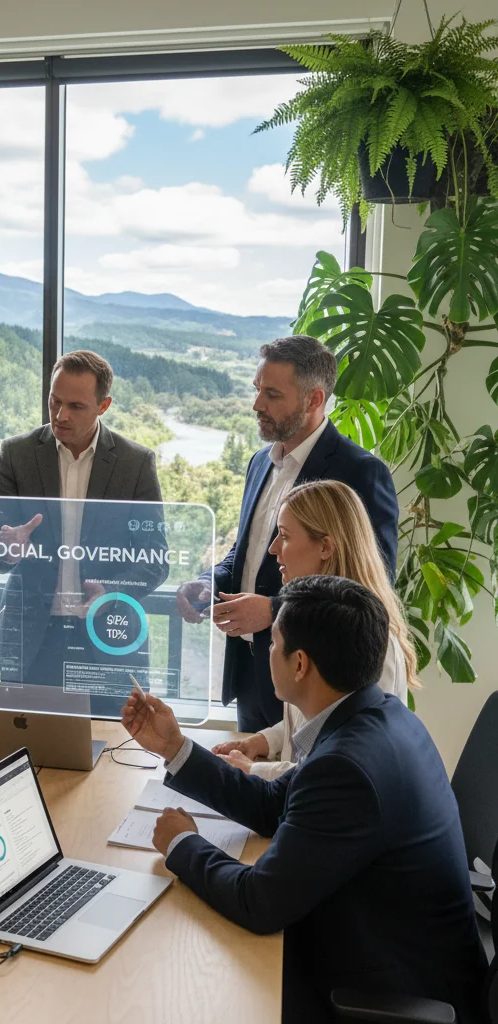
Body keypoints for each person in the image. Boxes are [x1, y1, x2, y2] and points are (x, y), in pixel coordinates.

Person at [122, 576, 486, 1024]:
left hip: (391, 992)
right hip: (392, 947)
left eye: (271, 643)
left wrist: (184, 844)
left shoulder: (348, 766)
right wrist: (174, 747)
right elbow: (277, 804)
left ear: (299, 664)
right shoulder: (378, 715)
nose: (266, 653)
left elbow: (260, 903)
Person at [175, 334, 399, 731]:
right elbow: (245, 556)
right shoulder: (259, 463)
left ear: (314, 400)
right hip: (250, 673)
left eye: (272, 394)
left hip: (315, 676)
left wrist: (275, 611)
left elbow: (368, 593)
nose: (257, 404)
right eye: (257, 390)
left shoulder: (361, 472)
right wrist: (208, 582)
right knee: (252, 783)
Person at [0, 351, 167, 713]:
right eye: (54, 401)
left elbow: (155, 560)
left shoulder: (135, 463)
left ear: (104, 405)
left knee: (113, 756)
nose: (60, 415)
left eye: (76, 406)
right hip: (33, 639)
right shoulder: (17, 454)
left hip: (106, 637)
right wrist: (6, 549)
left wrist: (111, 592)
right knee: (29, 755)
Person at [211, 479, 417, 778]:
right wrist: (264, 741)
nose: (272, 549)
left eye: (284, 536)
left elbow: (343, 771)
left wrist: (254, 770)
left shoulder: (371, 643)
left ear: (325, 547)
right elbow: (320, 723)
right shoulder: (320, 621)